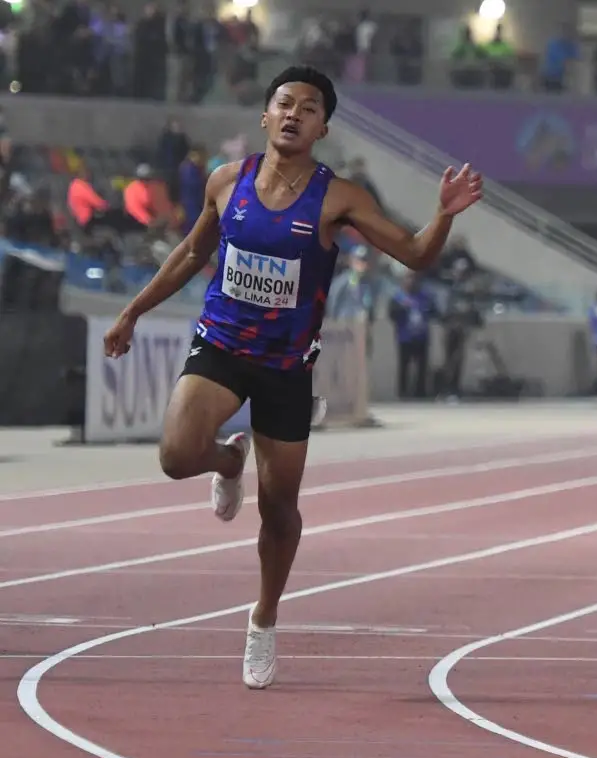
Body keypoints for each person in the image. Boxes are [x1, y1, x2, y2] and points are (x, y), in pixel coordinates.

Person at [101, 65, 483, 690]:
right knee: (175, 456)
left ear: (322, 127)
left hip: (285, 368)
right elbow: (194, 252)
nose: (293, 114)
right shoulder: (229, 182)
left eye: (308, 108)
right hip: (221, 345)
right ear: (265, 115)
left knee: (280, 509)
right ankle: (227, 462)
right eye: (284, 103)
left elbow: (416, 254)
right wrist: (132, 310)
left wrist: (443, 215)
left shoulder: (340, 198)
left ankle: (263, 617)